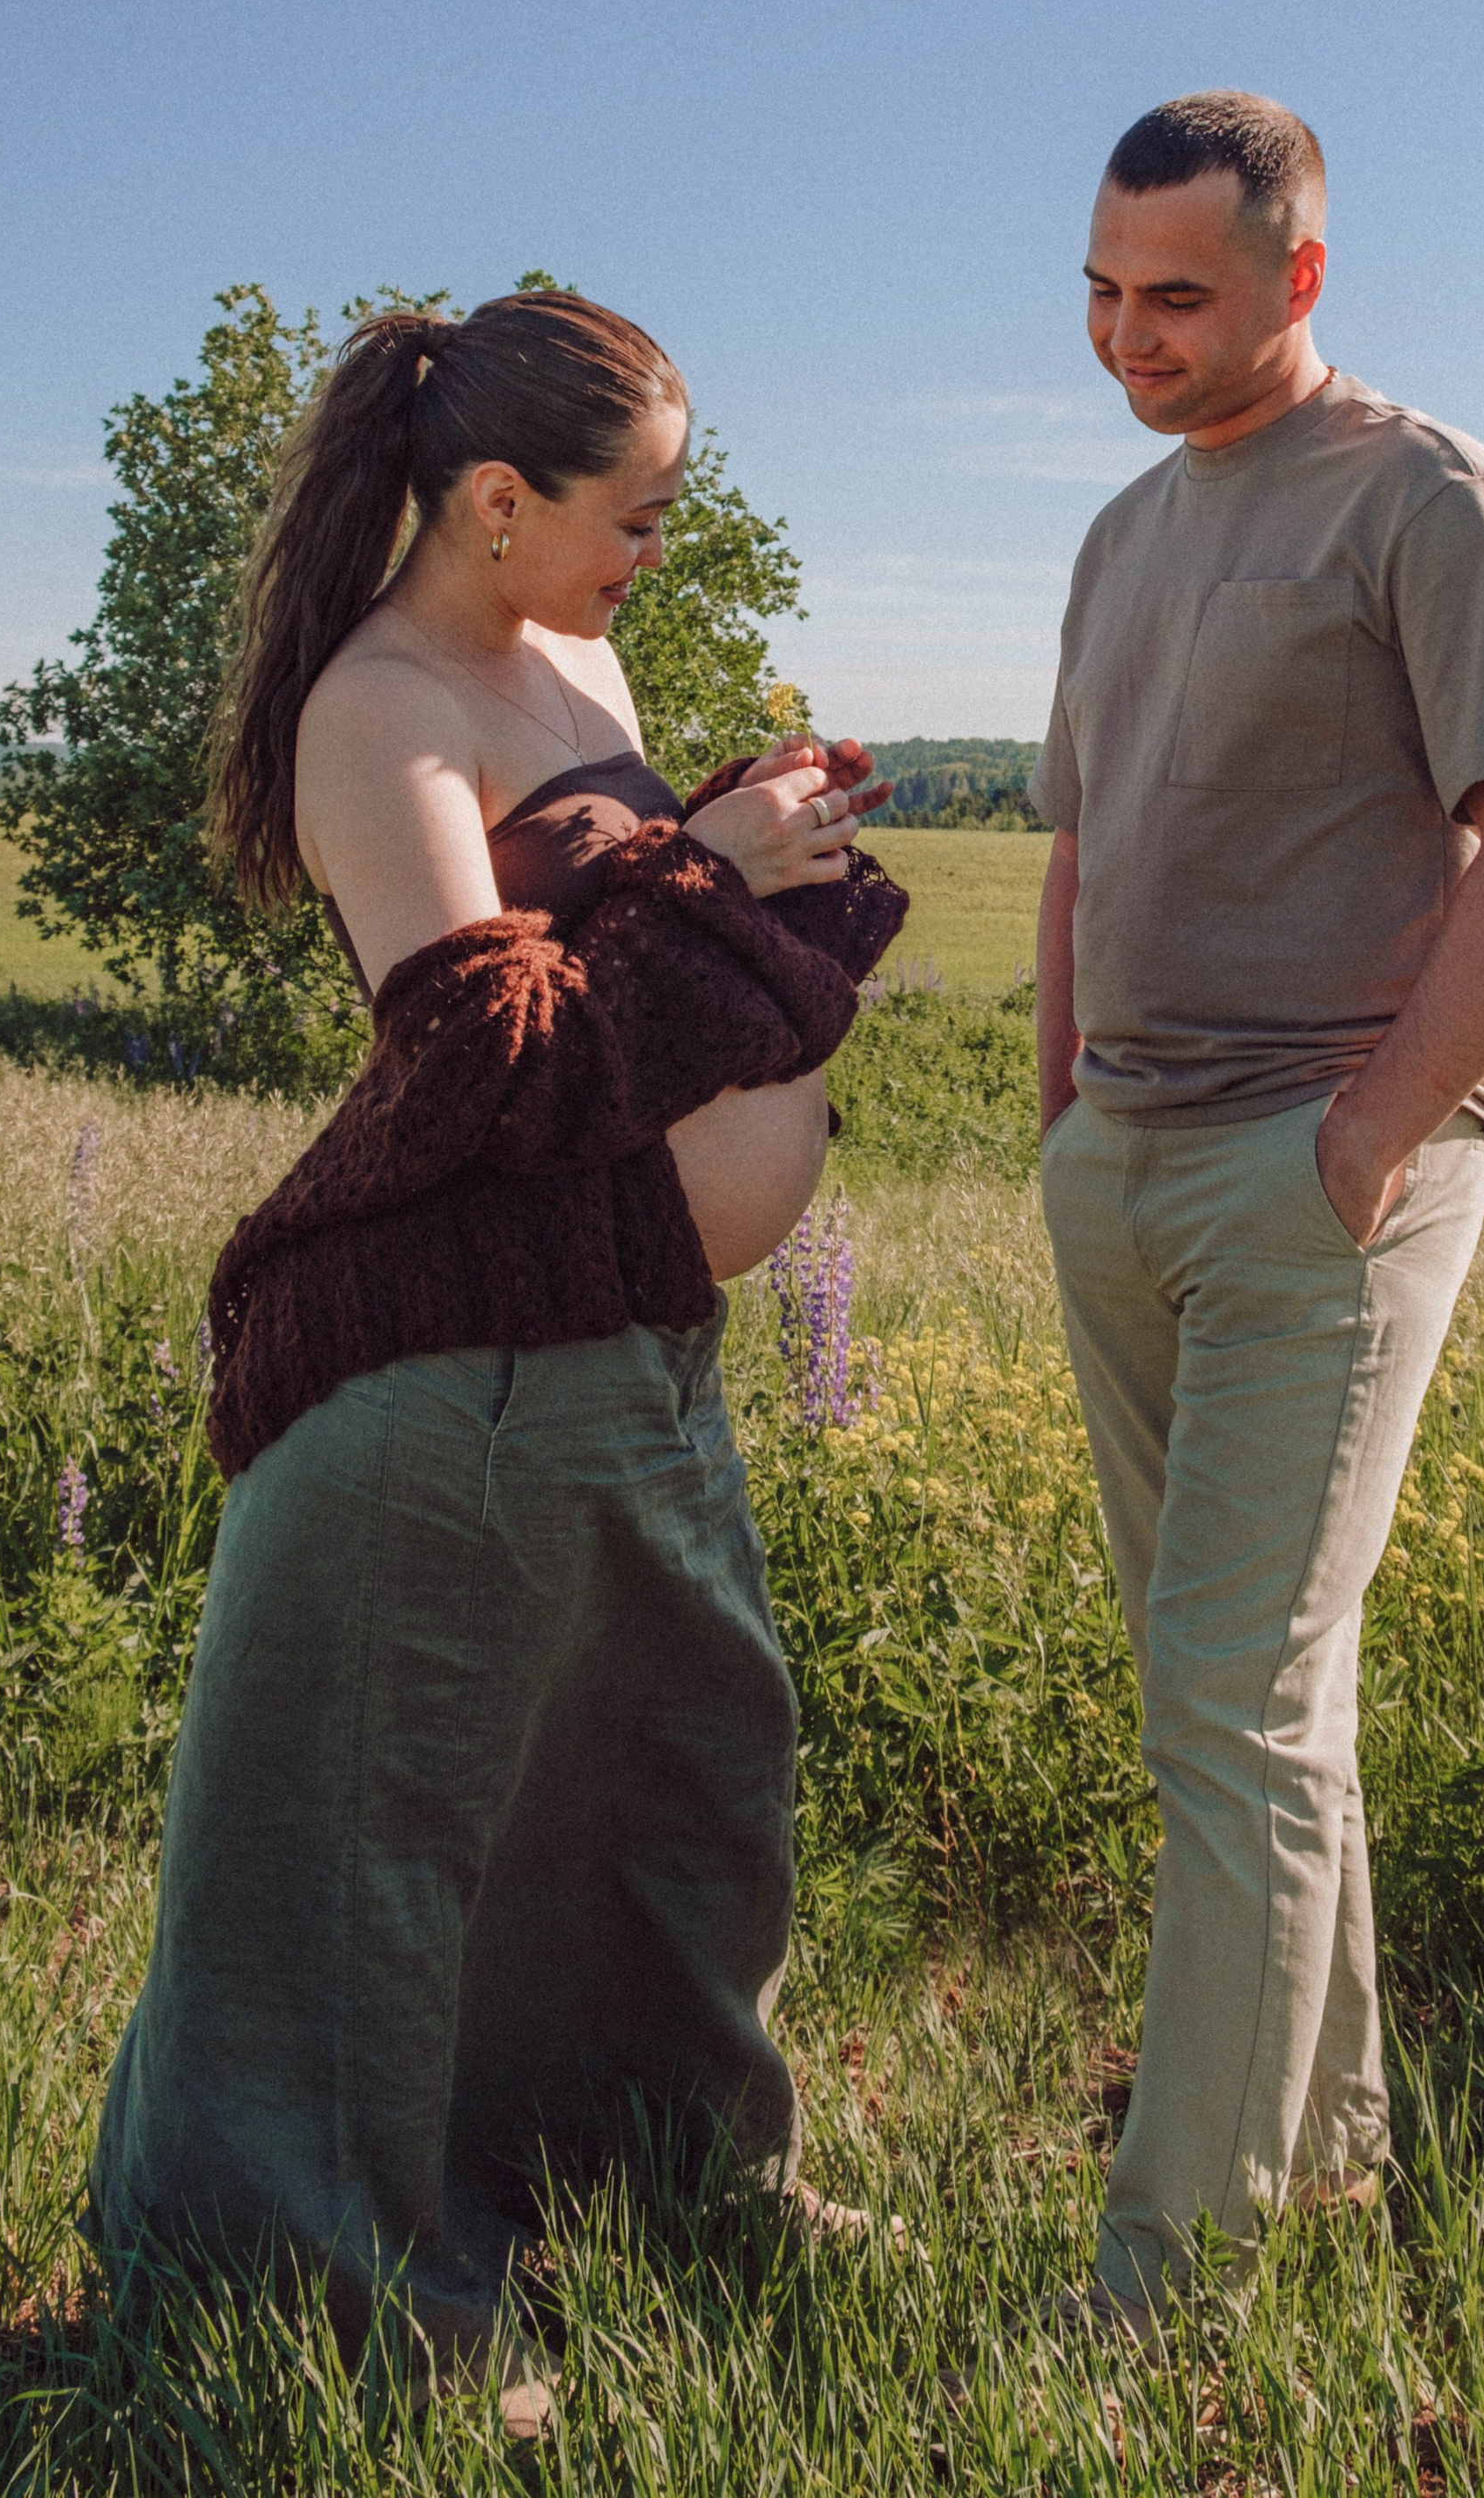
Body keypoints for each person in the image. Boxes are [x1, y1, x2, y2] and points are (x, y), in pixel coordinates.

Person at [87, 289, 907, 2426]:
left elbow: (615, 933)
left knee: (674, 1798)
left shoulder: (574, 651)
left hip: (637, 1338)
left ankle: (661, 2188)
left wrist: (745, 846)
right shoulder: (377, 707)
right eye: (632, 511)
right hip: (458, 1366)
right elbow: (486, 1053)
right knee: (362, 1851)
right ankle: (329, 2316)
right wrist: (702, 873)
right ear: (490, 498)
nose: (655, 546)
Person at [1031, 93, 1484, 2335]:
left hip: (1318, 1187)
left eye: (1171, 295)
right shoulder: (1117, 532)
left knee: (1230, 1710)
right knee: (1256, 1711)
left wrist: (1364, 1143)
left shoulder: (1427, 499)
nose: (1124, 336)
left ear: (1297, 275)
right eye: (1097, 291)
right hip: (1124, 1171)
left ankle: (1160, 2295)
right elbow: (1078, 852)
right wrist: (1064, 1120)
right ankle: (1334, 2164)